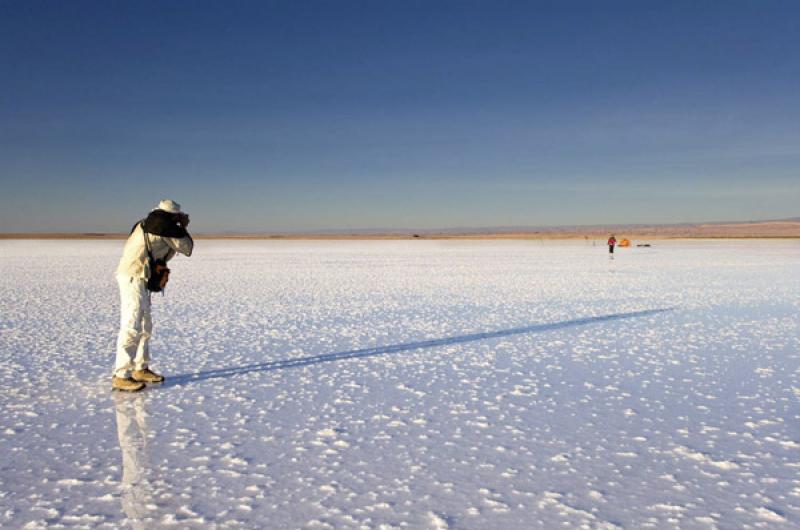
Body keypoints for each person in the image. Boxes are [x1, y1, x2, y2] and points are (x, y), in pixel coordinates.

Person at [113, 200, 193, 391]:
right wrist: (182, 227)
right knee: (132, 325)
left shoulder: (146, 222)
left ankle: (140, 367)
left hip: (138, 276)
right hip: (134, 277)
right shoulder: (163, 226)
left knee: (144, 324)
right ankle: (121, 374)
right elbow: (187, 248)